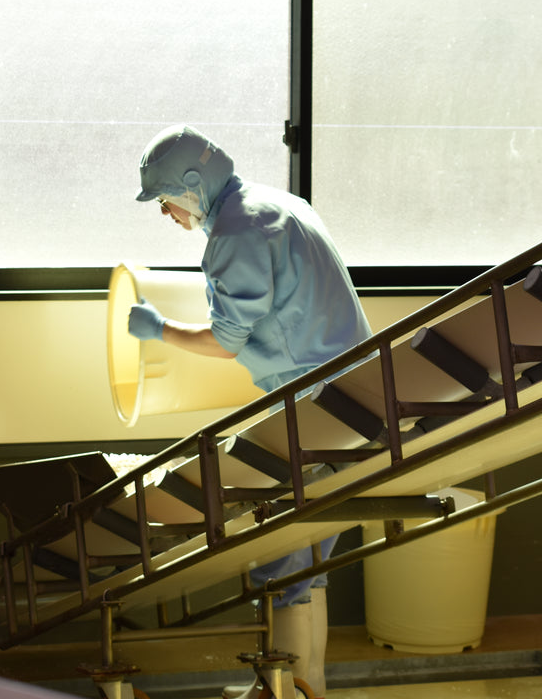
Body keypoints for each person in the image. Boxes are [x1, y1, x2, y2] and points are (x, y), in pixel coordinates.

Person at [127, 124, 371, 699]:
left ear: (191, 185)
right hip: (355, 393)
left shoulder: (234, 233)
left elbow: (225, 341)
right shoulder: (280, 205)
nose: (164, 213)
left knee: (279, 556)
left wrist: (159, 329)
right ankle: (304, 687)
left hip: (314, 401)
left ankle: (283, 691)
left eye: (164, 200)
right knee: (308, 559)